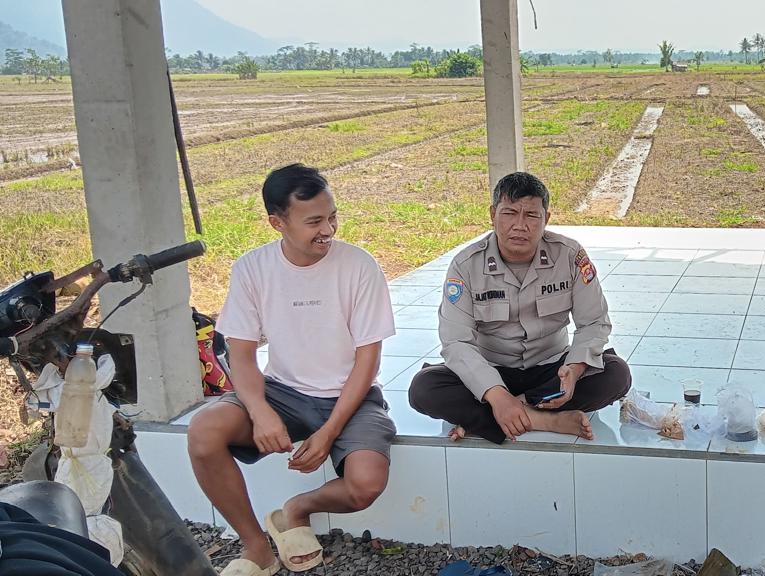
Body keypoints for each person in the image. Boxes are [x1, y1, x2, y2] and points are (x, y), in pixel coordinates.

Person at [187, 164, 397, 576]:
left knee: (366, 485)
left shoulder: (359, 265)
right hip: (283, 393)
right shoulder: (253, 268)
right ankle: (256, 547)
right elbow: (241, 355)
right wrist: (260, 410)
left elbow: (368, 360)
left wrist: (329, 431)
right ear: (277, 223)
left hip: (352, 397)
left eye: (332, 217)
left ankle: (297, 509)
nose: (328, 229)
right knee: (204, 431)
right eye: (314, 221)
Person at [408, 171, 631, 444]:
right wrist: (495, 394)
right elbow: (456, 342)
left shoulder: (570, 255)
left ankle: (496, 417)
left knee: (616, 374)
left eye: (532, 215)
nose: (520, 225)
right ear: (493, 215)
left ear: (546, 219)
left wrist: (573, 370)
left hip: (552, 368)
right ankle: (543, 419)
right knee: (423, 389)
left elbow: (594, 322)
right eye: (510, 213)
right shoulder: (466, 266)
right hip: (491, 368)